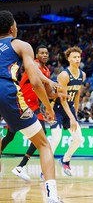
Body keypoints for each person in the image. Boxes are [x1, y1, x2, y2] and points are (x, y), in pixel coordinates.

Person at [0, 10, 61, 202]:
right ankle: (51, 196)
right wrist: (48, 107)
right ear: (12, 28)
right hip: (6, 91)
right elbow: (35, 82)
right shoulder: (20, 45)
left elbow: (37, 74)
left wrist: (47, 81)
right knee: (44, 145)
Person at [1, 45, 67, 182]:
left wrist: (60, 94)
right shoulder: (34, 64)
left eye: (46, 53)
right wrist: (49, 81)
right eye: (42, 53)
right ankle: (20, 167)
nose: (44, 55)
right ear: (36, 55)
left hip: (32, 105)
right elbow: (38, 77)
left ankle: (20, 167)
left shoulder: (47, 70)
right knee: (41, 134)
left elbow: (49, 93)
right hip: (21, 101)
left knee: (10, 136)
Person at [49, 46, 86, 176]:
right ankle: (46, 167)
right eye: (74, 57)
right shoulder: (64, 75)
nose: (77, 59)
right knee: (56, 138)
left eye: (78, 57)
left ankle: (65, 160)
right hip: (58, 108)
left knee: (79, 139)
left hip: (69, 108)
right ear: (69, 59)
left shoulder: (82, 74)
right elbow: (63, 100)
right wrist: (71, 118)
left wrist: (75, 112)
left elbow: (77, 93)